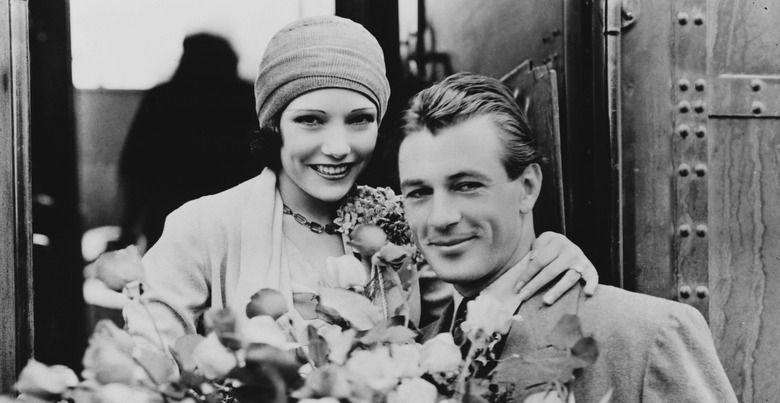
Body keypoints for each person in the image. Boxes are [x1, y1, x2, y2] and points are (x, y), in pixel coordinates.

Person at [123, 16, 597, 353]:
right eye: (310, 120)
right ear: (274, 126)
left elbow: (469, 320)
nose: (337, 147)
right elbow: (145, 373)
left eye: (359, 120)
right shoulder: (203, 229)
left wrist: (542, 259)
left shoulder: (405, 219)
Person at [400, 73, 749, 403]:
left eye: (467, 186)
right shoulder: (409, 360)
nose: (441, 217)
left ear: (528, 188)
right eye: (419, 193)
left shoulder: (646, 337)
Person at [117, 33, 257, 251]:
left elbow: (135, 168)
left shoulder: (162, 98)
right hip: (232, 219)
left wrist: (127, 228)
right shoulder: (246, 98)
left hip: (169, 216)